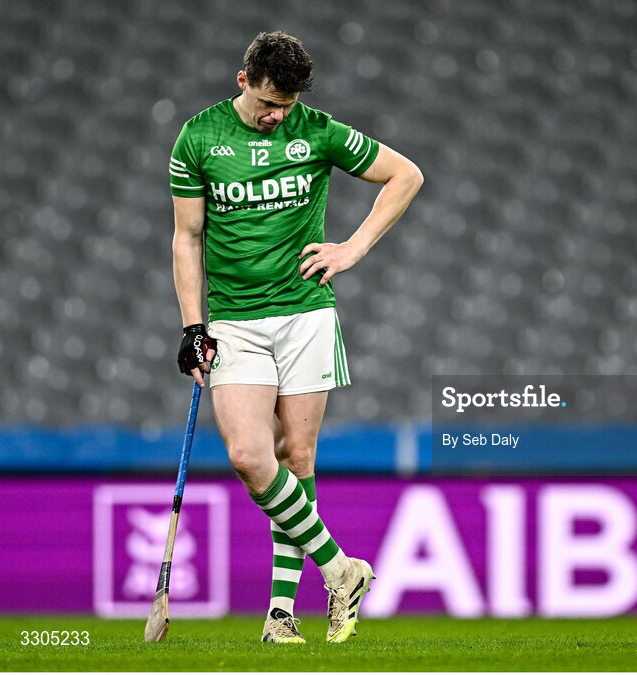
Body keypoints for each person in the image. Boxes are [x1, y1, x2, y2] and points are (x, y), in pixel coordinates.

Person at [169, 31, 423, 644]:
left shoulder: (317, 129)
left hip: (306, 314)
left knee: (297, 458)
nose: (276, 115)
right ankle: (342, 569)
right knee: (249, 457)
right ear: (243, 81)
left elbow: (406, 175)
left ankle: (281, 616)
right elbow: (187, 239)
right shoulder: (198, 138)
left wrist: (353, 248)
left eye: (285, 104)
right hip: (234, 320)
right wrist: (192, 326)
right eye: (267, 104)